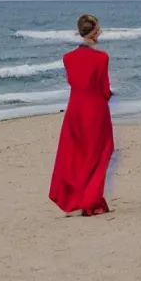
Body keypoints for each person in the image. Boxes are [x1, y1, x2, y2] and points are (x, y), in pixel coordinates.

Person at [49, 13, 115, 216]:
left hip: (75, 110)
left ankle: (77, 200)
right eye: (99, 29)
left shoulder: (67, 58)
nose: (100, 32)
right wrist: (108, 97)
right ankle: (90, 199)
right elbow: (104, 88)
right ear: (94, 31)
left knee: (76, 155)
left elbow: (73, 82)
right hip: (95, 110)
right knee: (99, 152)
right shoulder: (102, 57)